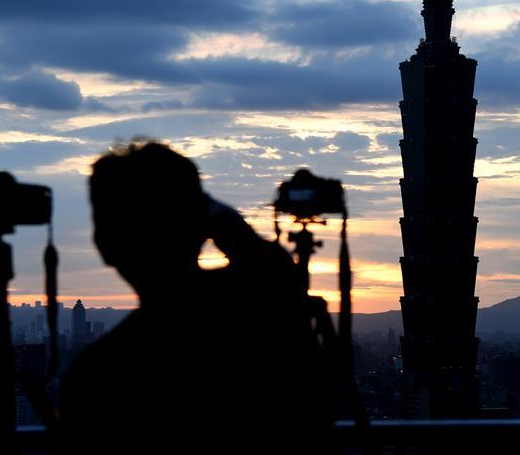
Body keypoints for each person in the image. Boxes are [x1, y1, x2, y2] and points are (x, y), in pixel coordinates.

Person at [59, 142, 331, 452]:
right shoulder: (257, 313)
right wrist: (211, 212)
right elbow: (271, 267)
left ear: (103, 245)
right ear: (200, 228)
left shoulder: (95, 375)